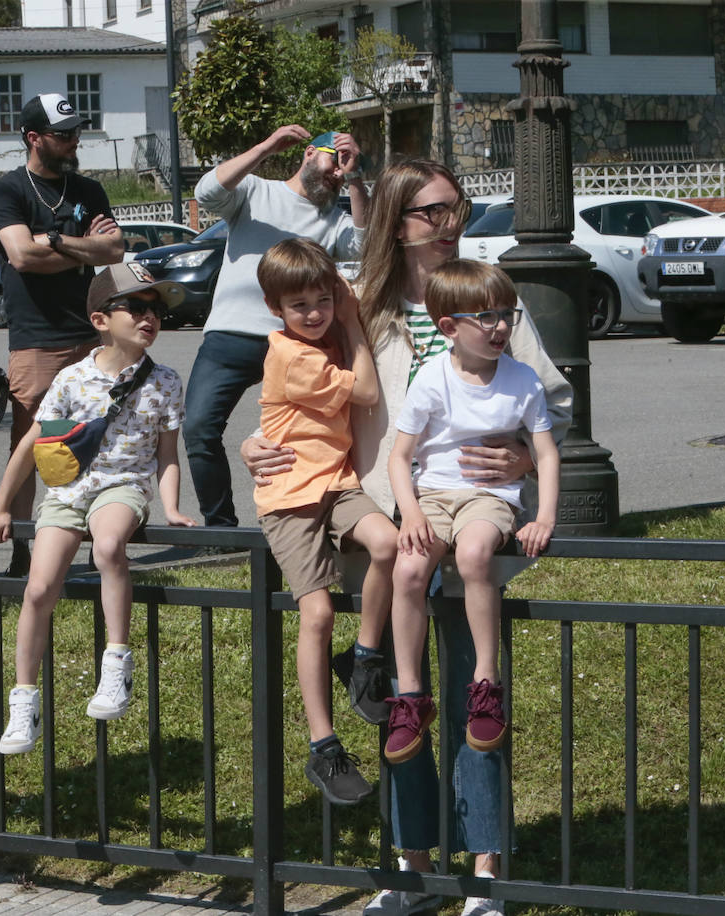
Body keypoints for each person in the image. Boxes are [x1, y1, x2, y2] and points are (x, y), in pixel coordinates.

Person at [242, 159, 572, 916]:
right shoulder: (366, 305)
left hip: (480, 524)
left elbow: (551, 404)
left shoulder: (491, 297)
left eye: (455, 208)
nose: (448, 223)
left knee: (477, 705)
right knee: (404, 706)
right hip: (396, 527)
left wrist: (523, 457)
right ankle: (411, 869)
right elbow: (294, 394)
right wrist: (253, 446)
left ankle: (486, 874)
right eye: (430, 212)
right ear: (395, 219)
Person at [0, 262, 195, 754]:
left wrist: (173, 506)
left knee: (110, 546)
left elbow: (167, 456)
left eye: (156, 310)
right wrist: (0, 506)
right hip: (68, 493)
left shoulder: (165, 381)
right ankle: (24, 700)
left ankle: (117, 663)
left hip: (123, 487)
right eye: (135, 307)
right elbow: (33, 444)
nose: (149, 318)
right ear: (100, 319)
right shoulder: (71, 379)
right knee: (37, 588)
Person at [384, 260, 559, 767]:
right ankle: (412, 698)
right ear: (449, 328)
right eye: (486, 316)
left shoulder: (522, 380)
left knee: (477, 552)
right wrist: (411, 514)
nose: (501, 326)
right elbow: (400, 456)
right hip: (433, 497)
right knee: (411, 568)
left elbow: (545, 453)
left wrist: (542, 515)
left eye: (507, 314)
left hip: (490, 496)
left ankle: (486, 684)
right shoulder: (432, 379)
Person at [253, 238, 398, 805]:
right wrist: (354, 323)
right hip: (289, 494)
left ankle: (362, 659)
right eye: (300, 306)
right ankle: (323, 746)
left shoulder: (321, 331)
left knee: (386, 543)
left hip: (336, 483)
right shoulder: (294, 357)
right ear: (276, 310)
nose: (315, 314)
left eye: (323, 300)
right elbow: (364, 391)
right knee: (316, 612)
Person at [185, 126, 370, 531]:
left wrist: (357, 179)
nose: (336, 174)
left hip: (299, 342)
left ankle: (309, 513)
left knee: (319, 429)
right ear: (307, 153)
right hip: (233, 334)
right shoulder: (255, 190)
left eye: (345, 167)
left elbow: (365, 246)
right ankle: (221, 530)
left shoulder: (335, 219)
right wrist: (266, 146)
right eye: (333, 161)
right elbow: (206, 193)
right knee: (198, 426)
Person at [0, 92, 125, 573]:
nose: (73, 142)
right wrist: (83, 245)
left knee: (96, 439)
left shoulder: (88, 189)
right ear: (33, 138)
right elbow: (21, 257)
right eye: (63, 135)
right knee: (30, 444)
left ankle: (95, 541)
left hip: (90, 333)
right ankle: (23, 551)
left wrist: (56, 240)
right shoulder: (8, 191)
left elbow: (115, 251)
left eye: (76, 133)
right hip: (35, 340)